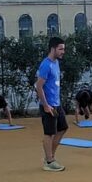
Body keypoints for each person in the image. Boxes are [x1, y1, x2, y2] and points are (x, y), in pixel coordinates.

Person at [36, 36, 67, 172]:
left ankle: (50, 157)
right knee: (49, 133)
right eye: (60, 49)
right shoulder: (46, 65)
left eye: (63, 49)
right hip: (48, 105)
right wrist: (45, 105)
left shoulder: (56, 63)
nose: (62, 51)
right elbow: (39, 86)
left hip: (56, 103)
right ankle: (49, 161)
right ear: (53, 49)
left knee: (63, 128)